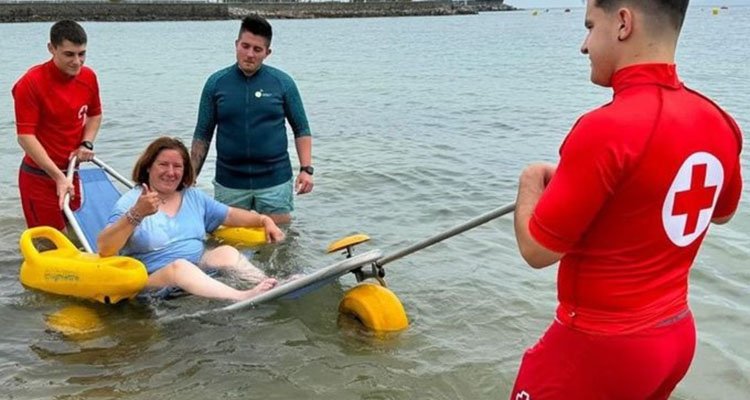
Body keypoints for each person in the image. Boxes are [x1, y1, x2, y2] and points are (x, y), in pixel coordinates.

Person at [510, 1, 743, 399]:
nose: (584, 45)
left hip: (599, 348)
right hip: (674, 338)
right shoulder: (719, 121)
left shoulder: (603, 129)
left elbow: (537, 249)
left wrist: (531, 181)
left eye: (589, 26)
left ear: (622, 22)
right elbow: (721, 213)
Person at [98, 137, 286, 302]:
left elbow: (229, 214)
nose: (171, 172)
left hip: (198, 269)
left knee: (226, 252)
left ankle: (270, 284)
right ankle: (241, 296)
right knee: (180, 267)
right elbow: (105, 248)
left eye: (177, 166)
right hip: (153, 280)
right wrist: (137, 213)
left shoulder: (193, 197)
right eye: (163, 164)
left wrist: (264, 220)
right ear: (148, 166)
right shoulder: (131, 202)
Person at [191, 15, 313, 225]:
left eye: (257, 49)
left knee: (279, 245)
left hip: (275, 181)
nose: (249, 54)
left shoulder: (283, 83)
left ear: (267, 52)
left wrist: (306, 169)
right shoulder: (216, 83)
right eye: (245, 46)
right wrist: (190, 176)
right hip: (230, 183)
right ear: (236, 44)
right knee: (230, 248)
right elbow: (203, 134)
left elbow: (301, 129)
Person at [13, 20, 102, 231]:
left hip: (72, 172)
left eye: (82, 54)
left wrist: (86, 144)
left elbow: (95, 115)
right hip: (39, 178)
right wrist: (57, 177)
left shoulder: (88, 77)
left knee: (77, 237)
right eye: (69, 54)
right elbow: (25, 136)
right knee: (49, 243)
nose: (77, 62)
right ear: (51, 49)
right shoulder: (30, 82)